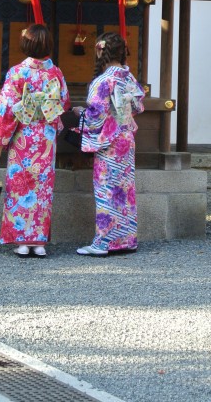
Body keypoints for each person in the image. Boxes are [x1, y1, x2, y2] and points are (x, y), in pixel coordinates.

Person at [0, 23, 70, 258]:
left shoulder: (17, 73)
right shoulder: (56, 73)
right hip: (45, 138)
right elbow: (63, 103)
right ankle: (40, 242)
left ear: (25, 45)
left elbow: (6, 109)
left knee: (20, 186)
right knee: (42, 189)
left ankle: (22, 242)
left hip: (23, 137)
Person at [75, 32, 145, 257]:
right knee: (125, 192)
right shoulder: (128, 78)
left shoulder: (103, 81)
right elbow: (137, 107)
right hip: (126, 139)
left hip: (109, 143)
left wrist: (80, 115)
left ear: (100, 51)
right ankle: (126, 240)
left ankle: (103, 243)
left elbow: (95, 116)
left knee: (107, 190)